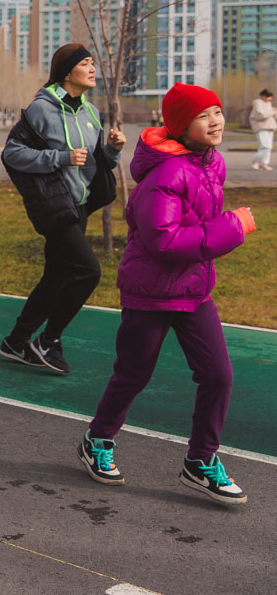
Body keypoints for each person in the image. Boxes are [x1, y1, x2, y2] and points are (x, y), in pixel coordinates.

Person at [80, 83, 250, 506]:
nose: (215, 121)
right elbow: (165, 242)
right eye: (203, 116)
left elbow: (197, 226)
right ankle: (97, 441)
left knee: (218, 375)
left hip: (193, 290)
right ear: (180, 126)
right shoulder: (166, 174)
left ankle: (200, 461)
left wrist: (219, 232)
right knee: (133, 374)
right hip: (150, 292)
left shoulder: (211, 163)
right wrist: (232, 228)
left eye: (217, 111)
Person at [0, 44, 125, 373]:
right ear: (67, 72)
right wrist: (61, 157)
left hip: (79, 205)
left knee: (56, 276)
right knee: (88, 271)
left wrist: (112, 150)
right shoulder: (41, 109)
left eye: (93, 62)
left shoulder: (91, 112)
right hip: (54, 204)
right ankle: (48, 339)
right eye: (85, 63)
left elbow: (97, 162)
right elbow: (12, 153)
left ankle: (16, 342)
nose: (93, 68)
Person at [249, 88, 275, 171]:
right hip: (261, 127)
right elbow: (261, 115)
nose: (270, 99)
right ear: (263, 96)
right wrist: (272, 112)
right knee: (265, 146)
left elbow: (270, 115)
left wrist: (274, 112)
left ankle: (264, 164)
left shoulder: (269, 104)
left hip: (270, 127)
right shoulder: (258, 103)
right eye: (269, 97)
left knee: (268, 147)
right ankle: (255, 160)